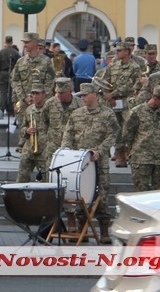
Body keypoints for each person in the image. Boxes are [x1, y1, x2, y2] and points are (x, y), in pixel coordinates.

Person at [61, 82, 119, 244]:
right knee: (81, 194)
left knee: (102, 196)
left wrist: (101, 150)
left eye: (86, 95)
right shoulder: (76, 114)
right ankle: (82, 230)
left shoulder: (107, 114)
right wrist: (66, 151)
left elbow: (113, 134)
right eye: (82, 95)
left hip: (99, 162)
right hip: (80, 162)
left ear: (95, 94)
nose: (84, 98)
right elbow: (68, 133)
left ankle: (104, 232)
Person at [122, 85, 160, 192]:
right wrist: (132, 152)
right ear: (156, 98)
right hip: (141, 159)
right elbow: (127, 134)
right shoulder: (137, 112)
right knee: (141, 192)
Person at [15, 83, 49, 182]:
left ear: (43, 94)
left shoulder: (49, 109)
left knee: (46, 178)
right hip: (29, 148)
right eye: (33, 94)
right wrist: (27, 130)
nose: (34, 96)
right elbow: (22, 128)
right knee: (22, 176)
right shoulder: (29, 109)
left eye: (37, 94)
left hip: (44, 149)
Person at [0, 35, 20, 116]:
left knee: (3, 91)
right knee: (12, 92)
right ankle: (11, 109)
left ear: (5, 42)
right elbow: (18, 64)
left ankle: (2, 107)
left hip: (2, 73)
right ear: (12, 42)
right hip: (12, 73)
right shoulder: (15, 52)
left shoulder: (1, 52)